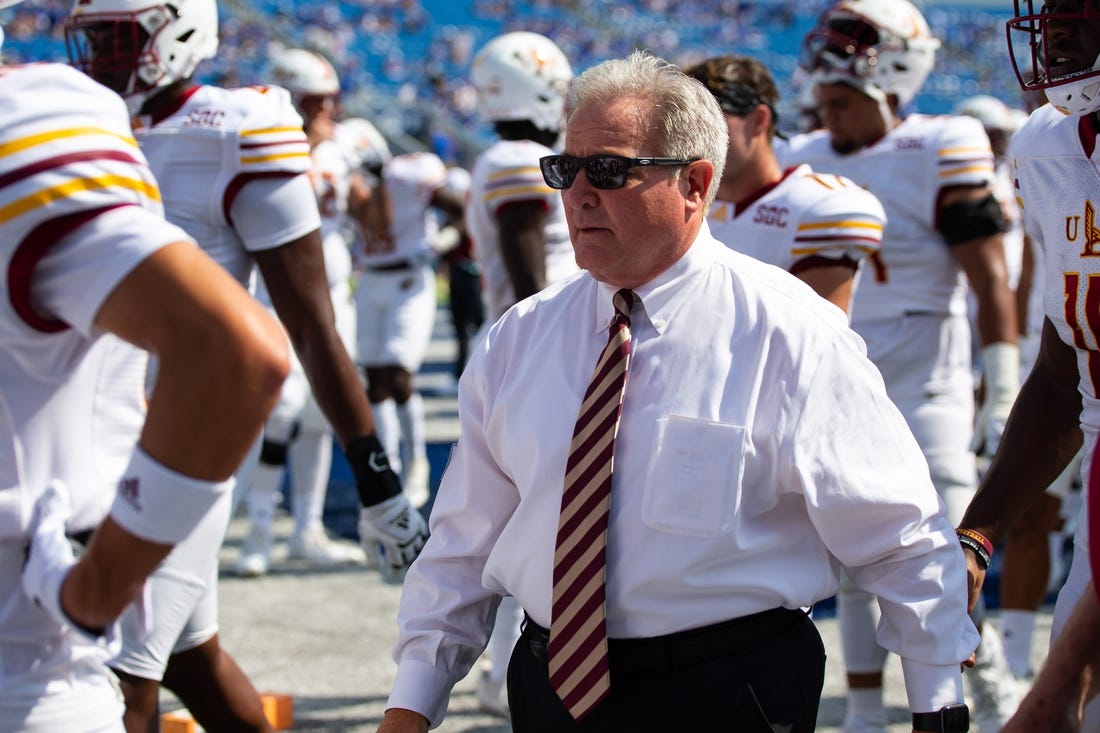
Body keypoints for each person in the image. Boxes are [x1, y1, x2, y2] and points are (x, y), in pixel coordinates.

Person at [375, 49, 978, 733]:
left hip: (728, 690)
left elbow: (896, 536)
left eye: (607, 170)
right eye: (563, 169)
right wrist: (411, 703)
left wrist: (937, 706)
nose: (577, 194)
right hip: (551, 688)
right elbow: (461, 543)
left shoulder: (791, 332)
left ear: (695, 183)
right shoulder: (521, 337)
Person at [64, 2, 428, 731]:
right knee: (192, 659)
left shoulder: (238, 129)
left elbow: (311, 324)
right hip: (96, 431)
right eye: (91, 37)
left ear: (178, 33)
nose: (100, 56)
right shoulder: (80, 120)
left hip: (181, 443)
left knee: (115, 686)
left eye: (117, 37)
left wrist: (375, 478)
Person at [0, 13, 289, 733]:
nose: (104, 57)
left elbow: (240, 350)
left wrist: (93, 591)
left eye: (119, 37)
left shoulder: (32, 125)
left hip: (21, 659)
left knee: (165, 671)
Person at [781, 0, 1023, 729]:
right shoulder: (806, 156)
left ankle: (991, 690)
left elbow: (988, 276)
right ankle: (863, 711)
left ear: (895, 69)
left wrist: (1002, 383)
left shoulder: (943, 141)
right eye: (826, 102)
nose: (833, 114)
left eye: (844, 101)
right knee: (853, 549)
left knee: (944, 555)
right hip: (845, 375)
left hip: (929, 374)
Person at [958, 0, 1100, 728]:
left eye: (1084, 9)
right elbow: (1065, 370)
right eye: (1052, 10)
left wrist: (1064, 671)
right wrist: (979, 531)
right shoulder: (1048, 146)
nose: (1056, 27)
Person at [463, 29, 577, 718]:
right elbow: (533, 274)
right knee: (539, 519)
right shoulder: (515, 160)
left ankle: (494, 671)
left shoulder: (502, 155)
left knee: (525, 518)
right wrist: (558, 345)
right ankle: (506, 671)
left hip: (520, 345)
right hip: (536, 346)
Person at [234, 48, 376, 577]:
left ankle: (306, 529)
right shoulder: (266, 148)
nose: (327, 112)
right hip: (281, 293)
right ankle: (258, 530)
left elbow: (365, 212)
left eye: (329, 101)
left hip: (338, 293)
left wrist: (372, 182)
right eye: (316, 102)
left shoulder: (341, 148)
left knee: (322, 417)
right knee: (284, 404)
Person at [955, 92, 1077, 684]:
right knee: (1036, 515)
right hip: (1049, 352)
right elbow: (1029, 277)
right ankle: (1027, 664)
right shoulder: (1046, 154)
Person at [682, 54, 885, 316]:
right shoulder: (681, 200)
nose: (697, 138)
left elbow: (817, 344)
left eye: (712, 123)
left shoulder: (815, 207)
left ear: (759, 120)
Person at [433, 165, 485, 381]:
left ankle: (478, 376)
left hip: (474, 274)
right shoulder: (456, 215)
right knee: (461, 328)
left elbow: (450, 238)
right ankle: (461, 375)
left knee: (479, 327)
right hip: (460, 272)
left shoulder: (471, 212)